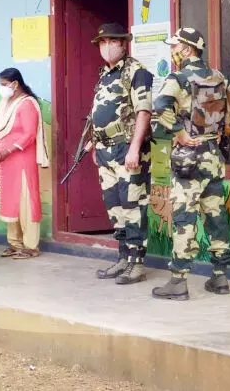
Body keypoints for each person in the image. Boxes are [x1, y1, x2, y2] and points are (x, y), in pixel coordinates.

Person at [151, 27, 230, 301]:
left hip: (188, 156)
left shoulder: (178, 77)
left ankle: (178, 280)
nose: (173, 51)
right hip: (213, 156)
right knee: (215, 213)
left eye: (175, 46)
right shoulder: (218, 76)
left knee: (184, 216)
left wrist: (179, 133)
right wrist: (225, 124)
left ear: (187, 49)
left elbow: (160, 105)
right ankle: (220, 277)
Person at [89, 23, 154, 285]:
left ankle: (137, 264)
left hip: (126, 149)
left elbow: (143, 112)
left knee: (133, 206)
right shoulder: (105, 74)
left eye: (112, 42)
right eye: (102, 43)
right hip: (105, 150)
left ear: (123, 44)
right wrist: (95, 144)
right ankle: (123, 258)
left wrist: (135, 148)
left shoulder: (136, 72)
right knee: (115, 207)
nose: (107, 47)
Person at [0, 67, 50, 259]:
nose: (2, 88)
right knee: (10, 202)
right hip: (5, 162)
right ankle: (15, 244)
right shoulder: (5, 103)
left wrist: (8, 150)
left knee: (26, 203)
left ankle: (31, 247)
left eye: (4, 84)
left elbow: (29, 134)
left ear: (15, 84)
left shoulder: (27, 104)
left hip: (22, 160)